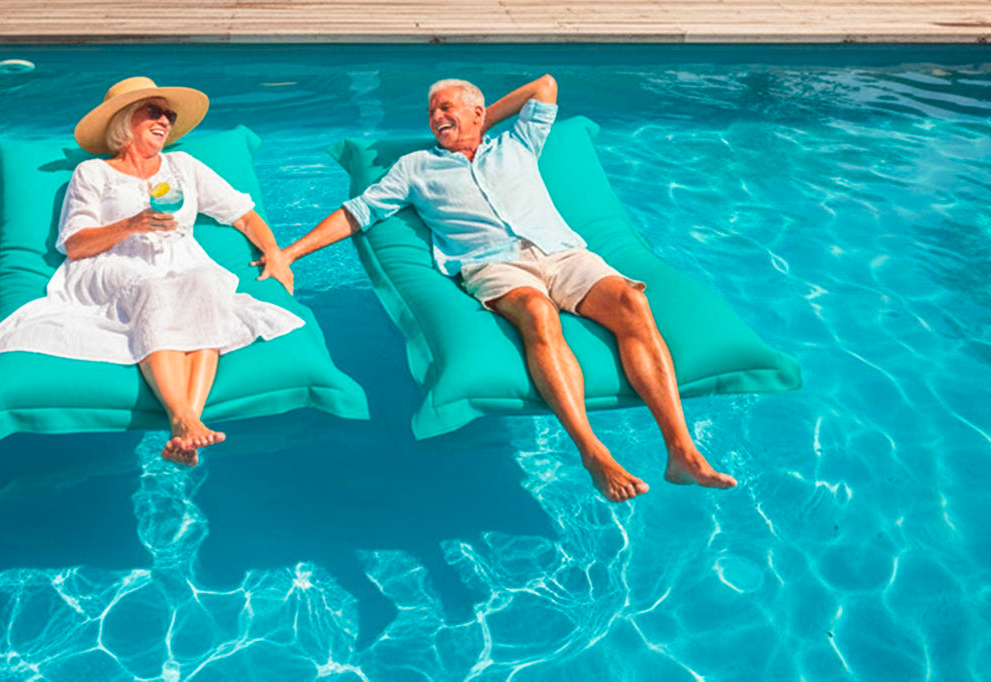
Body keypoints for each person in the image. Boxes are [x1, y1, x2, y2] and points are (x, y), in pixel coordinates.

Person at [267, 75, 736, 502]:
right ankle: (593, 451)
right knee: (537, 312)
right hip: (493, 265)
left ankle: (681, 451)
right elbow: (358, 212)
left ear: (479, 111)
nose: (435, 117)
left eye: (446, 107)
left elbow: (547, 85)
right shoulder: (415, 167)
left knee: (632, 301)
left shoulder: (518, 143)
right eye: (431, 112)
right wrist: (288, 253)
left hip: (562, 252)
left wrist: (476, 121)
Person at [0, 76, 302, 467]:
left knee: (206, 283)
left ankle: (189, 421)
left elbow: (243, 215)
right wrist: (131, 224)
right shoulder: (93, 172)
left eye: (169, 113)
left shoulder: (184, 166)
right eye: (154, 111)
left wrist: (275, 252)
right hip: (110, 263)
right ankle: (180, 414)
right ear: (124, 120)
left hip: (180, 259)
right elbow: (76, 243)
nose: (165, 119)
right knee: (153, 287)